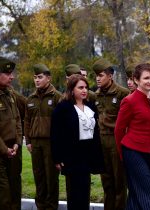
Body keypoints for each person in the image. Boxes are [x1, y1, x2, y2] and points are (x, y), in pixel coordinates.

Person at [51, 74, 104, 210]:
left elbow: (95, 132)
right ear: (72, 89)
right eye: (80, 87)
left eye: (86, 87)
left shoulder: (91, 106)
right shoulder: (63, 108)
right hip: (72, 156)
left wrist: (97, 156)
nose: (84, 90)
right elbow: (56, 134)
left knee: (85, 191)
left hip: (87, 155)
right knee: (75, 194)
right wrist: (58, 157)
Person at [115, 63, 150, 210]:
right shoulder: (129, 101)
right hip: (132, 151)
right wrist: (123, 155)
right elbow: (118, 130)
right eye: (146, 78)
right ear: (136, 80)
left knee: (136, 194)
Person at [93, 58, 129, 210]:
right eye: (96, 76)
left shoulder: (122, 94)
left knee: (119, 182)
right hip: (102, 142)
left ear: (110, 76)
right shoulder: (96, 95)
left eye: (101, 75)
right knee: (106, 182)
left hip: (117, 142)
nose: (97, 78)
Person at [24, 64, 62, 210]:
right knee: (39, 177)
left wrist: (58, 145)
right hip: (35, 143)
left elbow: (62, 124)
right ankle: (40, 207)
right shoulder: (31, 99)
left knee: (51, 178)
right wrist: (28, 141)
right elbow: (27, 121)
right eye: (35, 77)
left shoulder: (57, 97)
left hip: (51, 144)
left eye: (40, 77)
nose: (37, 80)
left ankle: (51, 207)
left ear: (48, 78)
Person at [0, 56, 22, 210]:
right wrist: (4, 150)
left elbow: (17, 119)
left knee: (15, 192)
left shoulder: (9, 93)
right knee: (2, 197)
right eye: (8, 73)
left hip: (13, 150)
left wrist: (17, 143)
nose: (12, 77)